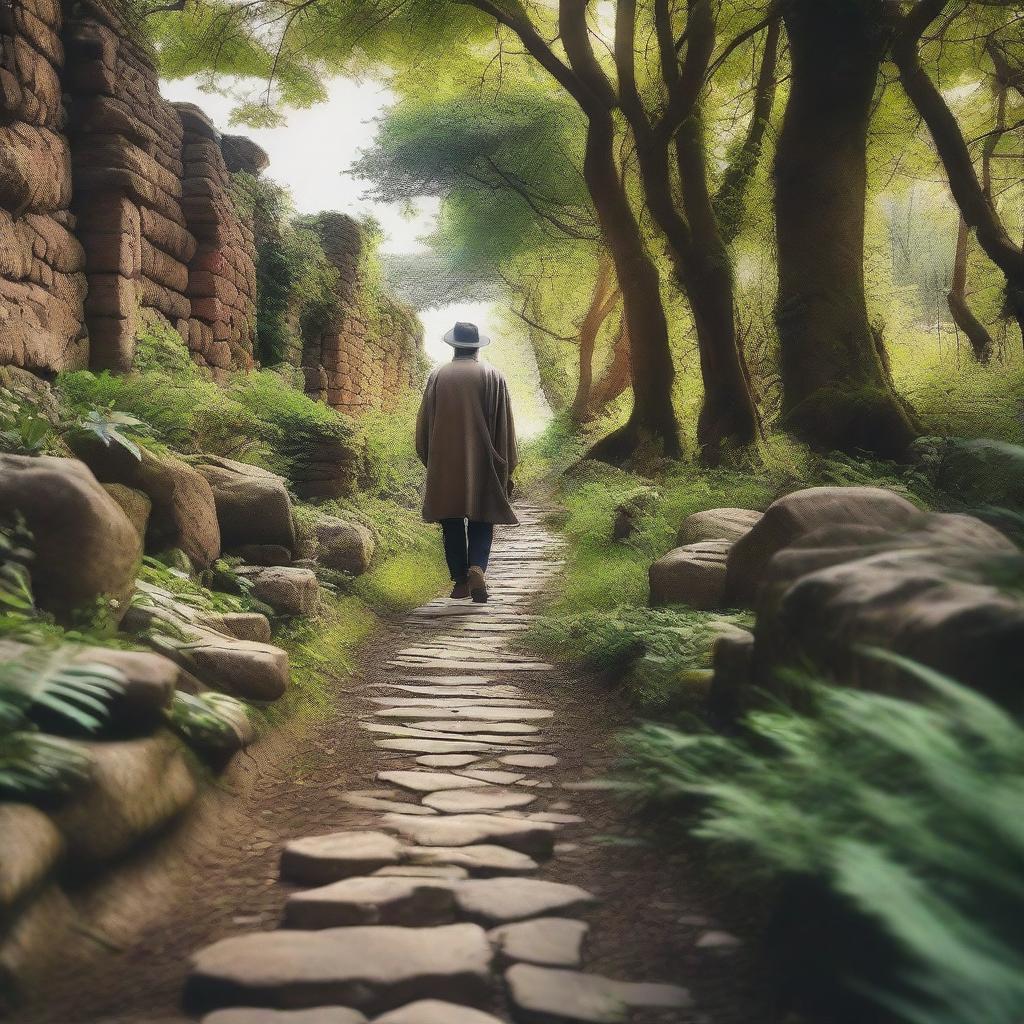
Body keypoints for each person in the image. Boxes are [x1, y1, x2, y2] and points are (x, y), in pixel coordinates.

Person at [415, 321, 518, 603]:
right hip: (485, 459)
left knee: (450, 519)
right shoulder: (494, 376)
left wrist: (430, 458)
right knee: (483, 516)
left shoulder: (437, 376)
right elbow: (505, 428)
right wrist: (506, 464)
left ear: (454, 345)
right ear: (476, 348)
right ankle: (477, 568)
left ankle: (460, 581)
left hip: (445, 460)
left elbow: (424, 425)